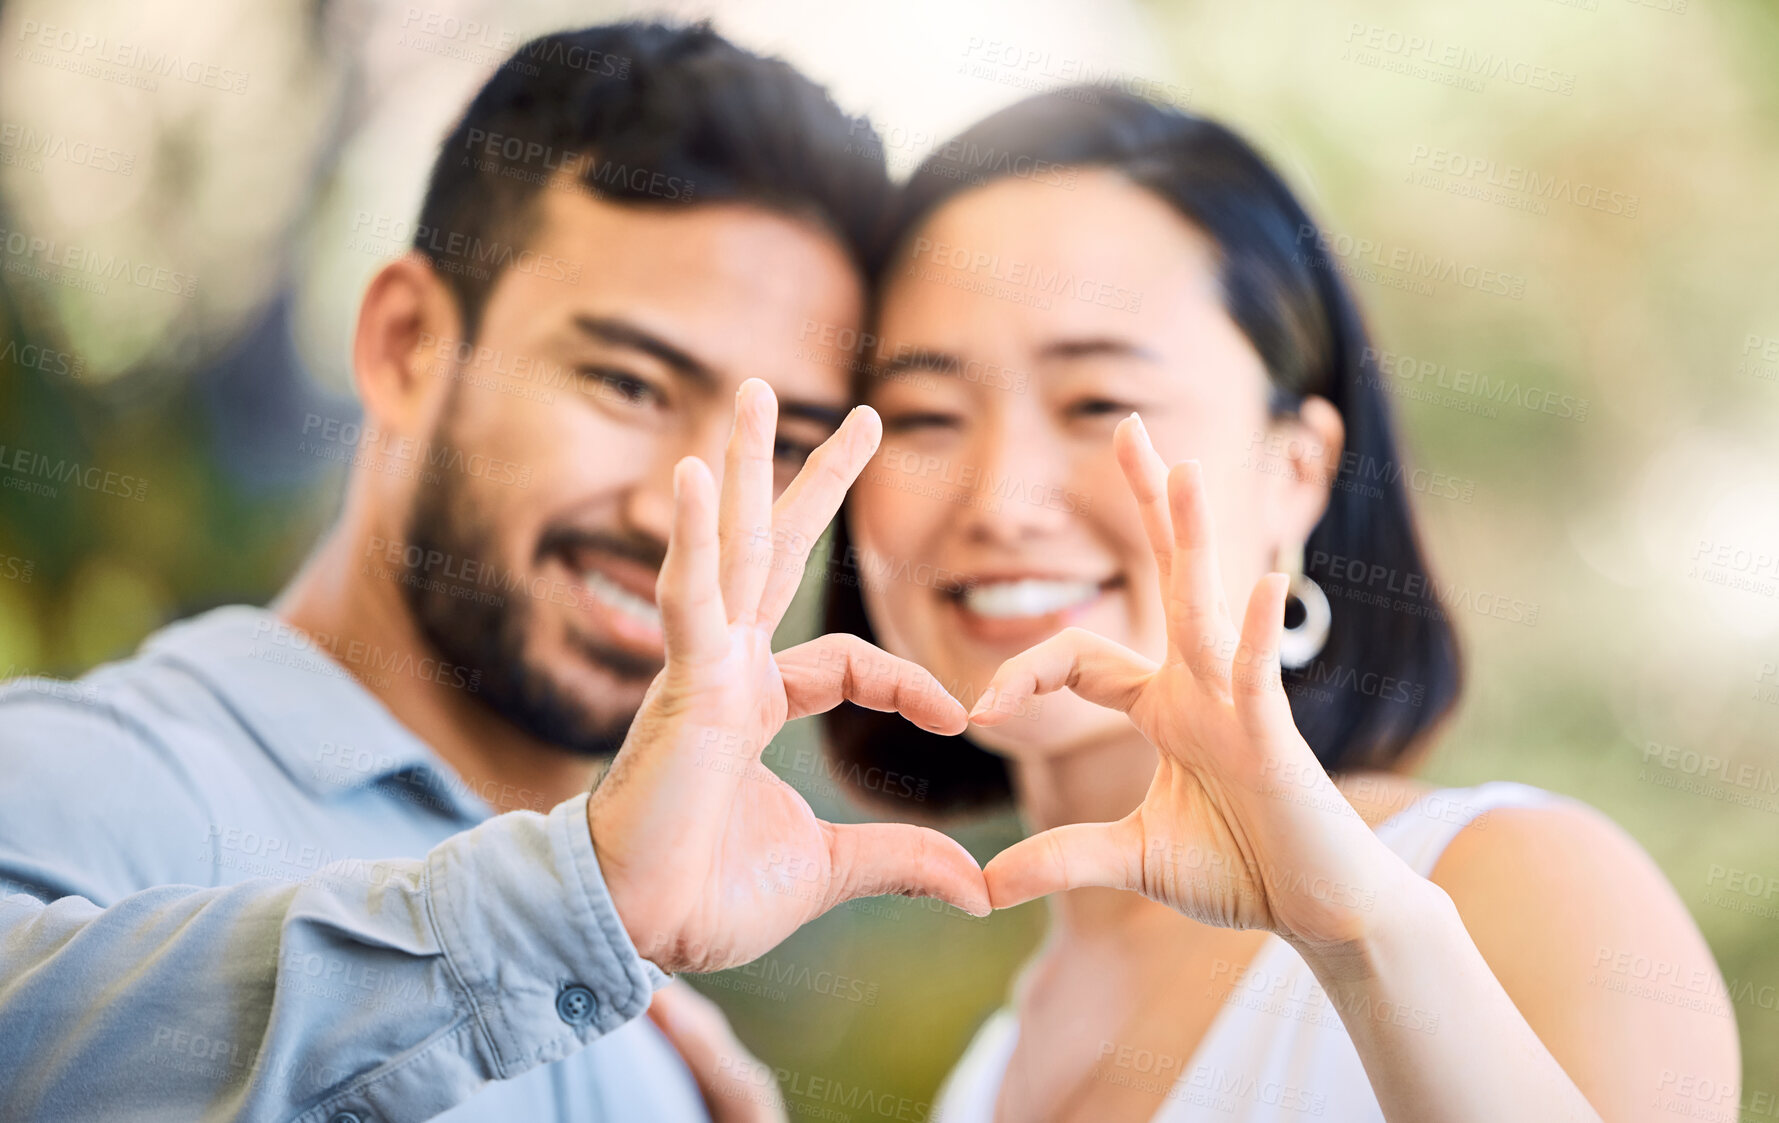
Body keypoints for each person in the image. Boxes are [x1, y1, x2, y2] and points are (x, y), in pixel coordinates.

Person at [0, 22, 990, 1123]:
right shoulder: (66, 787)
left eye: (780, 444)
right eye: (627, 383)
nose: (694, 511)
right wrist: (580, 906)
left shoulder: (659, 1038)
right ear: (406, 344)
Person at [820, 89, 1742, 1120]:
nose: (999, 500)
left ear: (1298, 468)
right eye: (925, 414)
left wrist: (1359, 943)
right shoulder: (997, 1057)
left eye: (1095, 404)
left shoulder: (1526, 887)